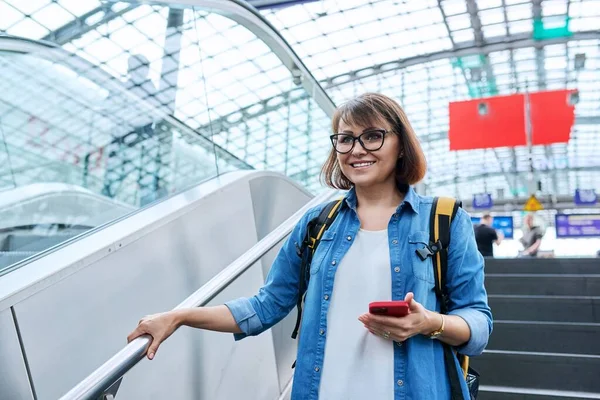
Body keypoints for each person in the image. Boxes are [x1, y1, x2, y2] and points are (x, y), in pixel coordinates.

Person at [127, 93, 492, 399]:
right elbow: (265, 307)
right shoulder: (318, 224)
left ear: (400, 145)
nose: (356, 149)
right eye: (345, 138)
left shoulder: (443, 220)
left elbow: (478, 324)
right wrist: (179, 316)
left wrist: (428, 322)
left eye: (372, 136)